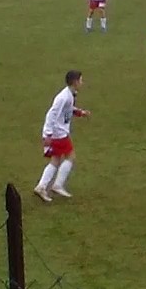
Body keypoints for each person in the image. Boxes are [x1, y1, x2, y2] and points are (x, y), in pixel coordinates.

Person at [34, 70, 90, 203]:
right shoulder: (63, 97)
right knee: (70, 156)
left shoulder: (69, 95)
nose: (82, 83)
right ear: (75, 82)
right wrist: (48, 134)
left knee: (56, 160)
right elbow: (52, 114)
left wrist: (80, 112)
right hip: (58, 134)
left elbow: (69, 109)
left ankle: (42, 186)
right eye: (81, 80)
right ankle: (56, 185)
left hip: (58, 133)